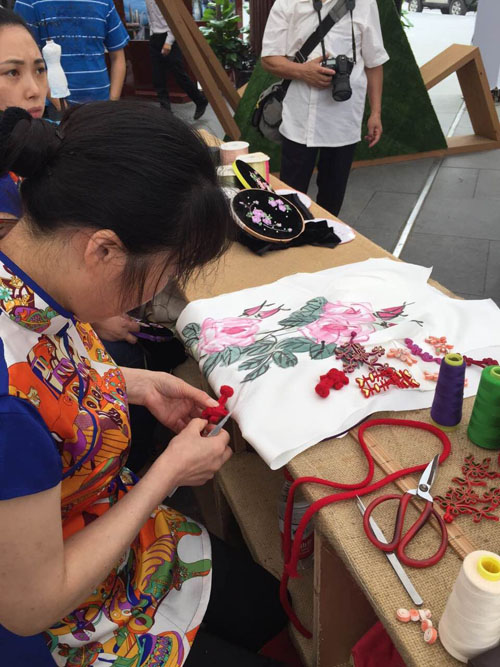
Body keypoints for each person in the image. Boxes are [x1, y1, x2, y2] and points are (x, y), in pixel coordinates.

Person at [0, 100, 288, 666]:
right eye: (167, 271)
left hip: (107, 522)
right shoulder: (8, 414)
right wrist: (166, 476)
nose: (161, 291)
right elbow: (27, 608)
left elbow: (48, 364)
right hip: (64, 614)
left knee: (266, 608)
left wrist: (135, 383)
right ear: (103, 248)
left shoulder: (24, 261)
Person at [261, 0, 389, 217]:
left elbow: (373, 62)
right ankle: (289, 240)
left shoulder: (365, 3)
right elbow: (269, 59)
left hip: (344, 119)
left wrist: (375, 113)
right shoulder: (287, 3)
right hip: (299, 117)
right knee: (290, 196)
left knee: (333, 197)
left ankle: (325, 241)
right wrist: (303, 71)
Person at [14, 0, 129, 105]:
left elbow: (118, 57)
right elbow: (25, 60)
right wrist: (62, 107)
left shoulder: (104, 2)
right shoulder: (29, 3)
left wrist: (112, 102)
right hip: (50, 106)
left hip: (100, 105)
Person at [145, 0, 208, 119]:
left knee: (179, 74)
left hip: (169, 38)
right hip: (155, 38)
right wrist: (152, 33)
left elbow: (175, 19)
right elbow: (151, 16)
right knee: (158, 77)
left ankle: (200, 100)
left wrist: (168, 42)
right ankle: (166, 112)